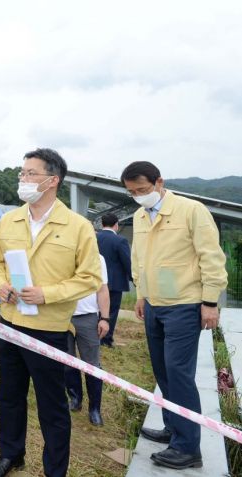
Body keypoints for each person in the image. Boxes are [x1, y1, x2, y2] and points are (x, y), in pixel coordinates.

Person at [0, 148, 101, 477]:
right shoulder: (9, 220)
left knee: (52, 406)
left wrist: (47, 294)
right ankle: (11, 454)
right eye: (22, 174)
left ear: (53, 180)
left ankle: (55, 469)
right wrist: (0, 286)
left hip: (49, 329)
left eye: (30, 174)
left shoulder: (77, 227)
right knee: (9, 395)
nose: (23, 179)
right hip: (10, 323)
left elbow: (90, 278)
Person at [121, 161, 227, 470]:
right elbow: (138, 258)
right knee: (162, 371)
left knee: (178, 373)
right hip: (155, 303)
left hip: (185, 303)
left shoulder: (191, 210)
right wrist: (141, 294)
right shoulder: (140, 216)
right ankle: (173, 425)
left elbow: (211, 256)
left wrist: (210, 301)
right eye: (132, 192)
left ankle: (188, 447)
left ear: (159, 182)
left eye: (142, 189)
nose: (139, 196)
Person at [65, 255, 110, 426]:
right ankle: (75, 398)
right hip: (63, 316)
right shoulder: (62, 253)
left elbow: (102, 289)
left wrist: (105, 318)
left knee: (92, 364)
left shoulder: (97, 258)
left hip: (88, 318)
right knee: (67, 361)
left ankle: (95, 409)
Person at [96, 212, 132, 347]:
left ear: (102, 224)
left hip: (96, 280)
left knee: (97, 309)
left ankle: (95, 336)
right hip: (115, 282)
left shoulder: (95, 237)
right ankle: (106, 339)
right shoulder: (120, 240)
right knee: (111, 311)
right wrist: (133, 278)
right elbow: (126, 262)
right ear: (116, 225)